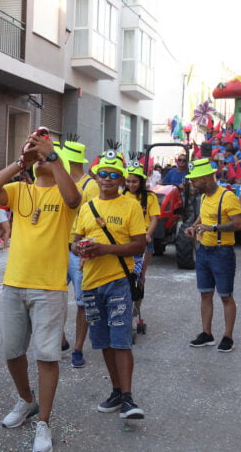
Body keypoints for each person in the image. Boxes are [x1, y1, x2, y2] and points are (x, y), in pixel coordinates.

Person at [0, 133, 80, 452]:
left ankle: (44, 423)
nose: (38, 159)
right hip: (14, 284)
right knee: (12, 351)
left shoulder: (64, 191)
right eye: (35, 155)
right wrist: (19, 162)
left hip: (49, 286)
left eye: (43, 155)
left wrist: (52, 157)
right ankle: (26, 400)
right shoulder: (20, 189)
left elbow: (74, 199)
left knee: (47, 355)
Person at [73, 150, 146, 420]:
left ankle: (128, 398)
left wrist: (105, 248)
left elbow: (140, 244)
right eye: (103, 174)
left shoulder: (130, 206)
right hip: (90, 283)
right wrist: (81, 248)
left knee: (121, 341)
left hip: (117, 282)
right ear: (96, 175)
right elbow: (75, 241)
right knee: (103, 341)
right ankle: (116, 391)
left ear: (121, 179)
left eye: (114, 175)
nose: (107, 179)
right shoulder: (86, 207)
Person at [183, 158, 241, 352]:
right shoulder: (203, 197)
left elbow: (239, 224)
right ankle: (207, 333)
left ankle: (228, 337)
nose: (192, 184)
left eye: (194, 181)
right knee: (205, 294)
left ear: (206, 179)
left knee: (225, 296)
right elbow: (203, 216)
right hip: (203, 251)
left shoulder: (227, 197)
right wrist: (194, 227)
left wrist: (213, 228)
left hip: (222, 252)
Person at [62, 140, 95, 369]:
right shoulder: (59, 182)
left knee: (82, 303)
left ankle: (78, 348)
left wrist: (85, 250)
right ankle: (61, 338)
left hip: (79, 252)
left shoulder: (90, 186)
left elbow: (94, 221)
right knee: (49, 297)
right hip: (57, 250)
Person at [122, 161, 159, 328]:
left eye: (134, 181)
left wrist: (147, 235)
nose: (131, 184)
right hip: (126, 241)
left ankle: (136, 311)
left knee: (139, 277)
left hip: (144, 241)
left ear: (141, 182)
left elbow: (154, 219)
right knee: (123, 275)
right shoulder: (121, 196)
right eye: (128, 181)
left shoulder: (150, 197)